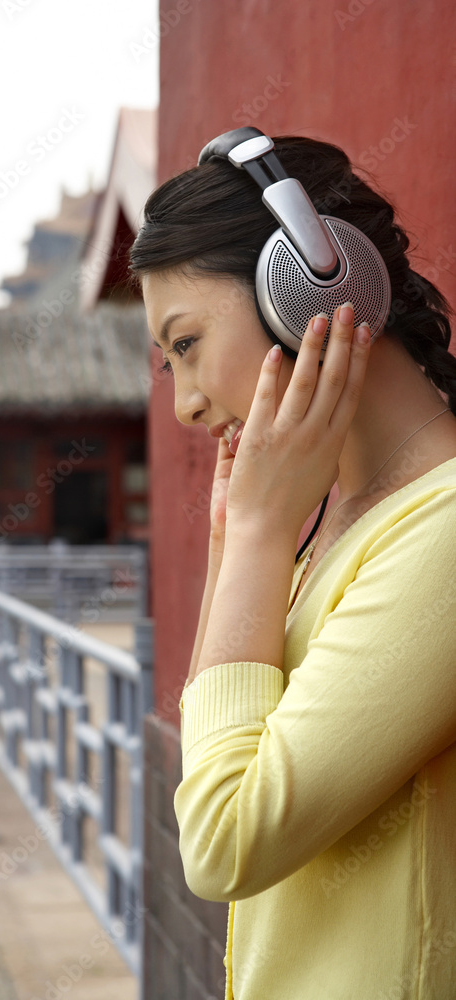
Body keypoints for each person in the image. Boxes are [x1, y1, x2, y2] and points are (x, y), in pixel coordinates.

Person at [128, 133, 456, 999]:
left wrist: (259, 542)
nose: (187, 402)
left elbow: (222, 840)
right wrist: (244, 542)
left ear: (311, 288)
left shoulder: (445, 534)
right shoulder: (340, 520)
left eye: (187, 343)